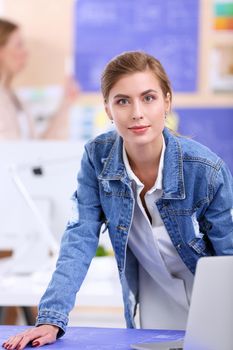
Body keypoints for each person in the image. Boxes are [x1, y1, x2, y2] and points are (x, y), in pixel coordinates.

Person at [2, 51, 233, 349]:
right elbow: (80, 236)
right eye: (122, 101)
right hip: (150, 309)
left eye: (148, 98)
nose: (136, 112)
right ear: (108, 109)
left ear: (167, 101)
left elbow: (229, 255)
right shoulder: (97, 157)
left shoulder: (206, 169)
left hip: (212, 307)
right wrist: (51, 318)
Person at [0, 18, 79, 140]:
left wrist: (66, 103)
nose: (25, 52)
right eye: (18, 45)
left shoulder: (12, 96)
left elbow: (38, 147)